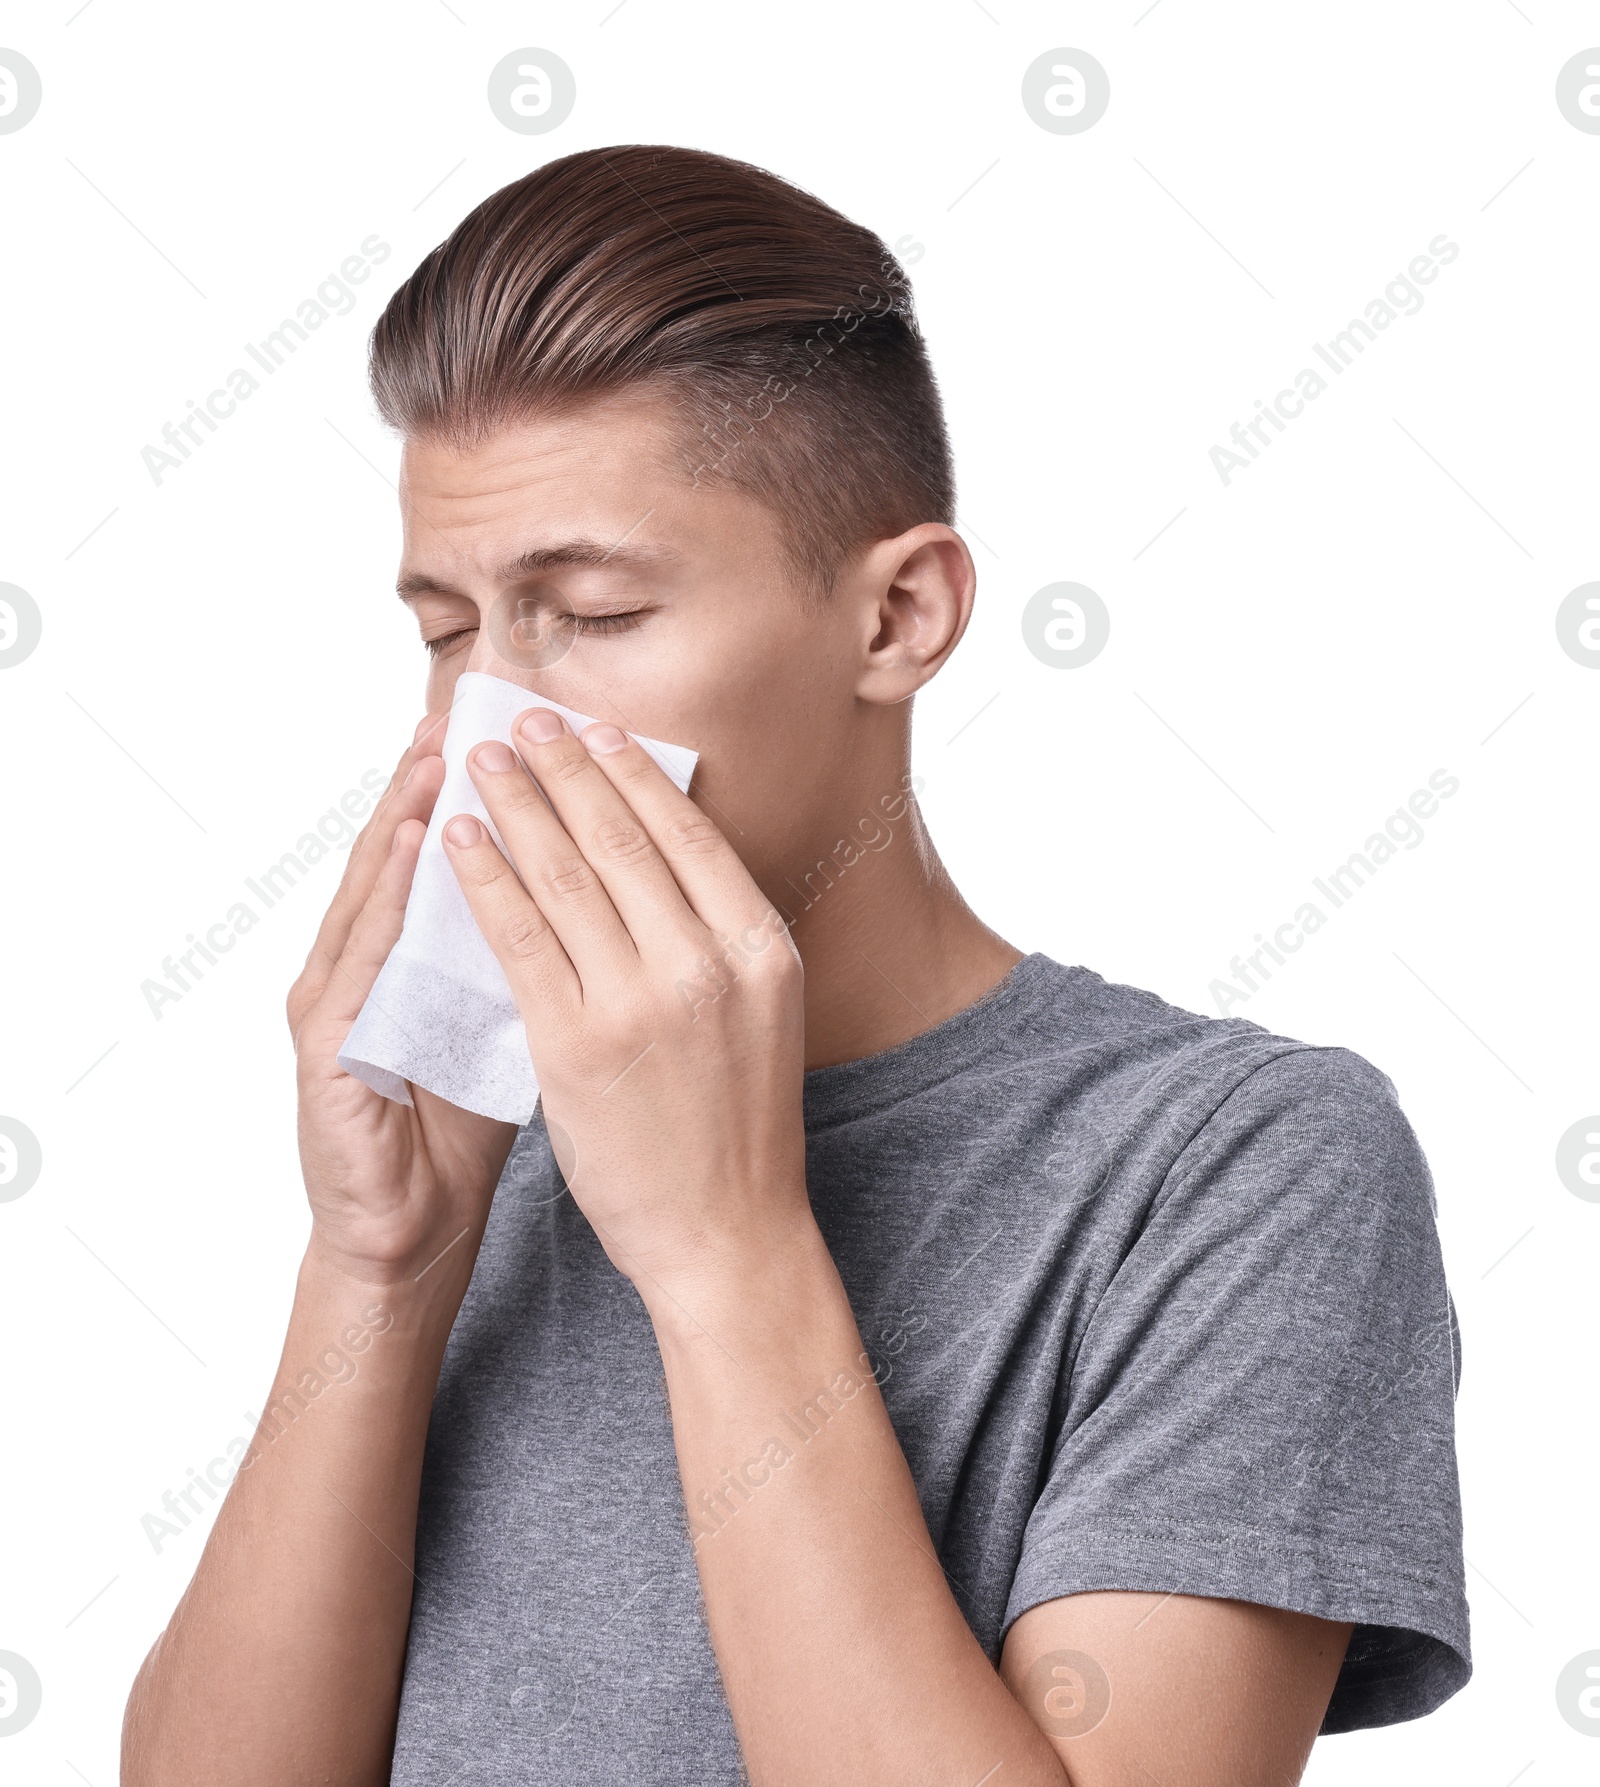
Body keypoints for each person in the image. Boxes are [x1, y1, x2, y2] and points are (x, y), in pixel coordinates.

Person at [121, 145, 1469, 1786]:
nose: (481, 734)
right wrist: (380, 1267)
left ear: (898, 618)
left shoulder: (1230, 1166)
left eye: (593, 614)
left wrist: (723, 1251)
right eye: (447, 634)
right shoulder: (480, 1145)